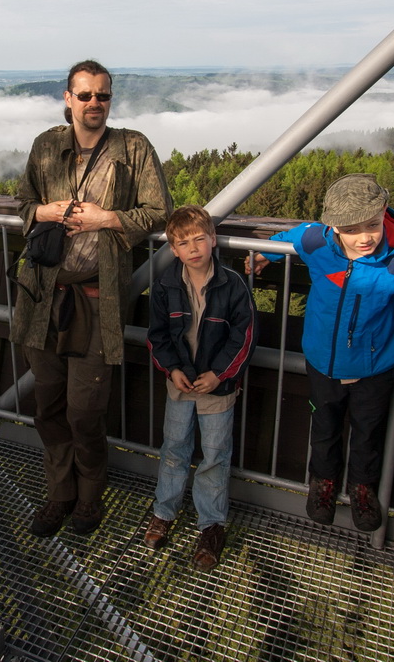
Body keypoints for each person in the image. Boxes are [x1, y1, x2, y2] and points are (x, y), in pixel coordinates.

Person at [11, 59, 172, 537]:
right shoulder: (47, 146)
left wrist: (107, 219)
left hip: (98, 298)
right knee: (48, 405)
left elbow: (159, 211)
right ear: (68, 98)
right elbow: (23, 204)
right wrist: (46, 211)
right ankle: (59, 493)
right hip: (42, 296)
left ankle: (89, 496)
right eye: (85, 95)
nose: (95, 103)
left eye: (103, 95)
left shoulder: (133, 147)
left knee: (85, 410)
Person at [246, 173, 394, 532]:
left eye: (372, 225)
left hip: (374, 368)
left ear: (384, 212)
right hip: (323, 363)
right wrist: (265, 255)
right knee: (324, 427)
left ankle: (363, 489)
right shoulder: (318, 241)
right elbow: (292, 237)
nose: (364, 237)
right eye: (351, 230)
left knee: (368, 432)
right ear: (333, 227)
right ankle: (323, 483)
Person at [144, 205, 256, 571]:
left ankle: (211, 526)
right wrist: (173, 370)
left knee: (215, 455)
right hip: (180, 385)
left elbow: (244, 337)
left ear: (213, 240)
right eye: (183, 243)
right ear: (173, 250)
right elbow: (158, 336)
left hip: (218, 389)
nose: (193, 249)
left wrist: (219, 375)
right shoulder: (165, 286)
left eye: (199, 239)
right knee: (174, 448)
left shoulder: (233, 284)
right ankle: (164, 511)